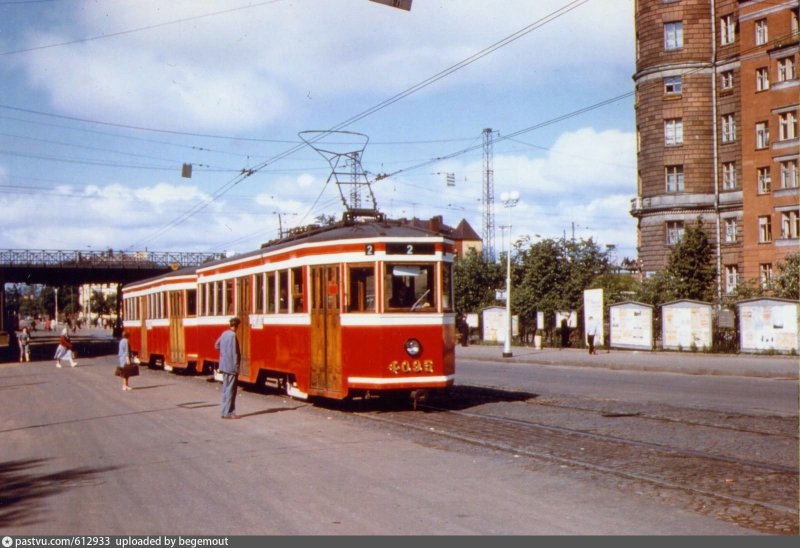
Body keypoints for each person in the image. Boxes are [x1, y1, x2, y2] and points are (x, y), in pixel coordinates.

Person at [215, 317, 242, 419]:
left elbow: (216, 345)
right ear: (236, 326)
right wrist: (237, 367)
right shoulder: (233, 336)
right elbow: (235, 353)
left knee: (225, 389)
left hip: (224, 365)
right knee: (231, 390)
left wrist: (224, 353)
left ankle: (224, 411)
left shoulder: (224, 333)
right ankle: (229, 413)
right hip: (231, 367)